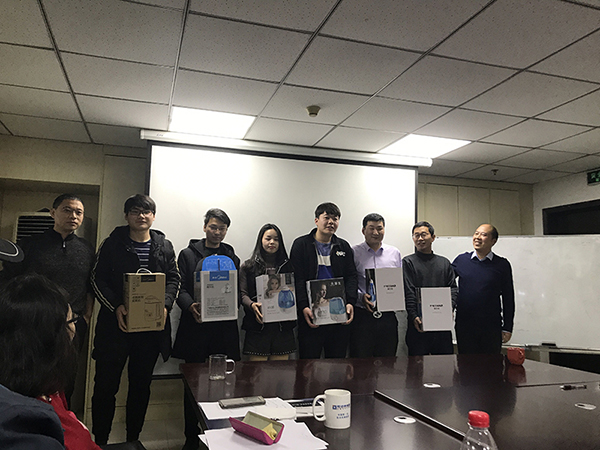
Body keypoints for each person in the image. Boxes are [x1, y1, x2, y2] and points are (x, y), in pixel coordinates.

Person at [91, 194, 180, 445]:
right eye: (135, 211)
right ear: (126, 215)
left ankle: (133, 440)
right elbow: (97, 279)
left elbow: (174, 278)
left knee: (140, 387)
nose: (141, 216)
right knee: (105, 388)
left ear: (153, 216)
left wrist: (165, 305)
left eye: (146, 211)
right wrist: (116, 306)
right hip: (114, 329)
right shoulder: (112, 244)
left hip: (150, 332)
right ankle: (100, 441)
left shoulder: (164, 245)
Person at [0, 273, 101, 450]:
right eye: (71, 321)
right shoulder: (26, 425)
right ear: (47, 339)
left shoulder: (48, 383)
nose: (74, 330)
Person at [172, 208, 241, 450]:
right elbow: (179, 288)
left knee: (224, 384)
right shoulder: (187, 254)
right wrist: (191, 305)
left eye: (222, 228)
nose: (217, 232)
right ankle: (191, 437)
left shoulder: (231, 256)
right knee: (193, 384)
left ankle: (220, 435)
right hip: (196, 329)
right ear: (204, 227)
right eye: (213, 227)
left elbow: (235, 290)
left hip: (224, 331)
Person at [1, 193, 95, 349]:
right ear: (53, 213)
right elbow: (9, 279)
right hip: (33, 319)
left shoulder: (87, 248)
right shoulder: (30, 244)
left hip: (73, 321)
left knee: (67, 363)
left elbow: (90, 285)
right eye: (67, 210)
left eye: (78, 212)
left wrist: (87, 316)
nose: (73, 216)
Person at [290, 202, 357, 359]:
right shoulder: (301, 245)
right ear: (316, 220)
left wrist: (350, 302)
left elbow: (351, 276)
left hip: (338, 314)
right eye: (326, 218)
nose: (331, 222)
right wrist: (303, 306)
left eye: (335, 219)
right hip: (311, 315)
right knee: (308, 364)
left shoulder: (343, 246)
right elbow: (297, 278)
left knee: (337, 364)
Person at [452, 224, 515, 354]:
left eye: (484, 235)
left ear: (493, 241)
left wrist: (507, 327)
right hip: (465, 326)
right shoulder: (461, 260)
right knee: (466, 363)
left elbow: (508, 298)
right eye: (476, 233)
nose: (478, 237)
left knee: (491, 364)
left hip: (491, 327)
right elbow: (446, 285)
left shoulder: (502, 264)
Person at [240, 224, 296, 361]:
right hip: (257, 325)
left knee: (280, 372)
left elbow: (296, 291)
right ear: (261, 240)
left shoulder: (289, 266)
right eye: (268, 238)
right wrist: (252, 305)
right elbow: (242, 294)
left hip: (283, 327)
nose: (272, 242)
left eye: (276, 239)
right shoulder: (248, 266)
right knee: (257, 372)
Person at [350, 213, 402, 357]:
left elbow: (398, 282)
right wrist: (360, 297)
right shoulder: (354, 252)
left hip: (387, 317)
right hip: (362, 316)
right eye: (371, 228)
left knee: (388, 360)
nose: (376, 232)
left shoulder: (394, 253)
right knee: (361, 361)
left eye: (379, 228)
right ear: (363, 231)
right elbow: (350, 281)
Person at [403, 221, 457, 356]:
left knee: (444, 365)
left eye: (423, 234)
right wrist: (414, 316)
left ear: (433, 237)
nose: (420, 238)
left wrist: (449, 308)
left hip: (441, 325)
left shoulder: (444, 263)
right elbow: (408, 291)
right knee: (417, 366)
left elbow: (453, 289)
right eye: (416, 235)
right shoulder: (408, 262)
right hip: (418, 324)